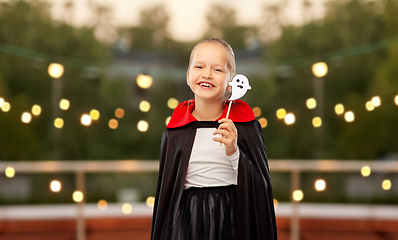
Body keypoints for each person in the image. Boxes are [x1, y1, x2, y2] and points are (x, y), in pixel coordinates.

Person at [150, 38, 277, 240]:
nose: (207, 74)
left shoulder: (245, 127)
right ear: (188, 76)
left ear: (231, 82)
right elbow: (167, 194)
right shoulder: (175, 132)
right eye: (199, 66)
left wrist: (234, 152)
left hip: (232, 218)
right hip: (187, 220)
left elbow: (260, 188)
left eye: (217, 70)